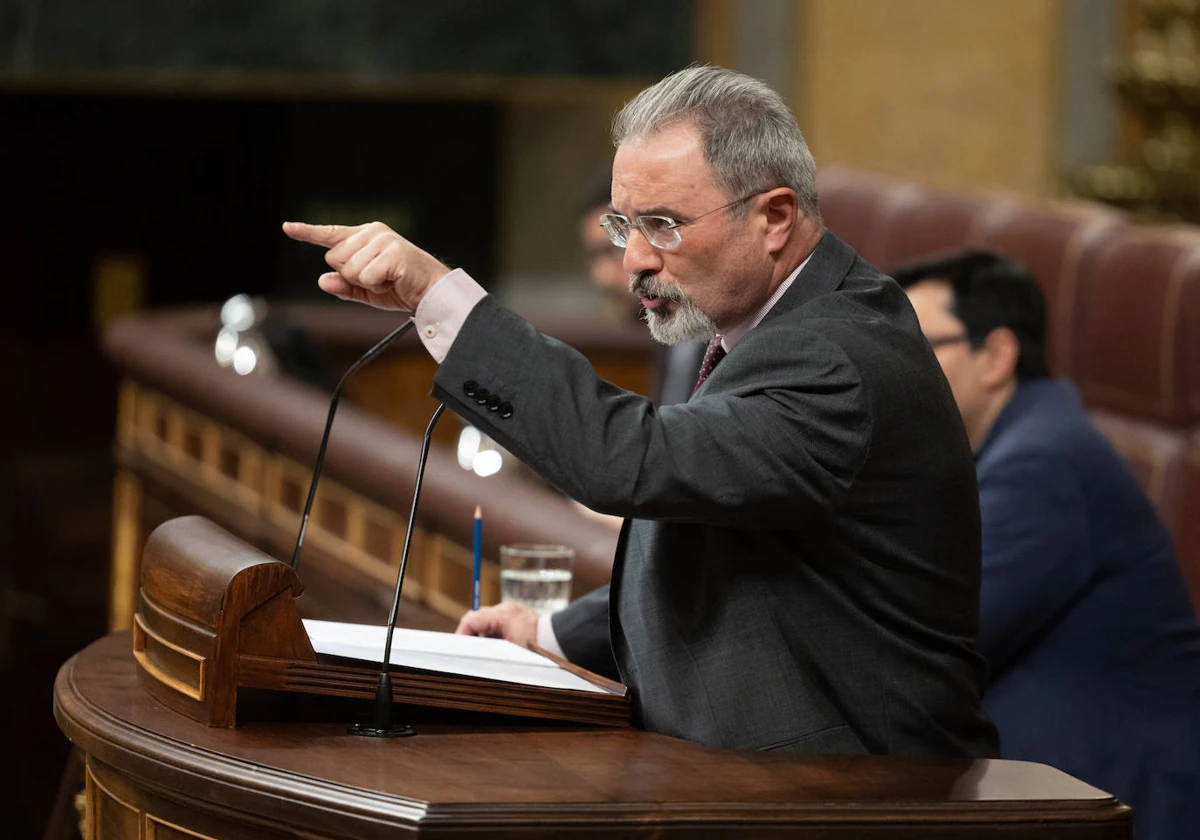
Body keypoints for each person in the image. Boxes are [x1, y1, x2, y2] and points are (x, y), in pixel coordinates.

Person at [284, 65, 998, 757]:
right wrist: (551, 635)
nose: (634, 262)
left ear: (775, 217)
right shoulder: (775, 327)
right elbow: (731, 545)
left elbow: (629, 461)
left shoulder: (835, 358)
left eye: (664, 224)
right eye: (627, 225)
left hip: (864, 794)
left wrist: (440, 301)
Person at [894, 250, 1200, 840]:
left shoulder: (1044, 464)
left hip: (1120, 801)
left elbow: (931, 645)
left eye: (918, 348)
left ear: (997, 356)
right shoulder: (1014, 446)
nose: (896, 372)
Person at [579, 170, 707, 407]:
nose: (601, 277)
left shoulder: (719, 335)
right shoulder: (666, 331)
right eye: (593, 257)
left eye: (615, 248)